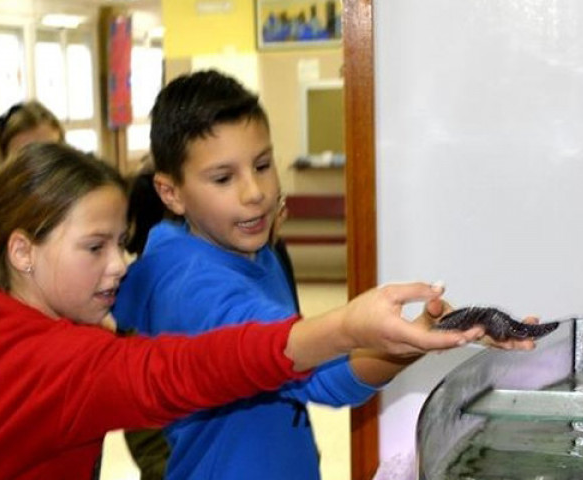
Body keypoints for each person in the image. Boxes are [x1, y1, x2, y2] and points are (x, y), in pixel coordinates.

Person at [0, 142, 485, 480]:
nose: (119, 265)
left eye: (122, 243)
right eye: (95, 247)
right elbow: (183, 371)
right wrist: (344, 327)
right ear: (23, 250)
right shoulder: (59, 357)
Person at [112, 70, 536, 480]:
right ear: (171, 192)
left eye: (262, 165)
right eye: (223, 178)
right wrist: (371, 331)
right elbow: (321, 377)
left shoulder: (244, 247)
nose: (254, 193)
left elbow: (313, 374)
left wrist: (423, 334)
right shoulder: (190, 288)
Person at [0, 100, 64, 257]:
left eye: (50, 155)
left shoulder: (81, 218)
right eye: (24, 160)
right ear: (3, 167)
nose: (39, 169)